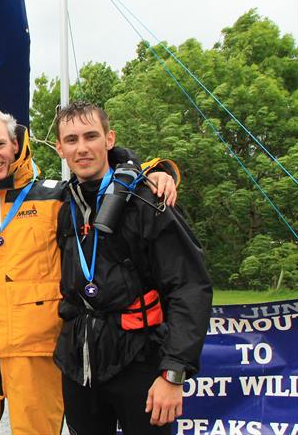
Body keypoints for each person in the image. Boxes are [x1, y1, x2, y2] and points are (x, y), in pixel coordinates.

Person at [0, 104, 177, 435]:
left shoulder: (57, 196)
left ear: (16, 144)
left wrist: (154, 172)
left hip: (36, 347)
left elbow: (104, 179)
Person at [53, 101, 211, 434]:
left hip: (140, 361)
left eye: (90, 136)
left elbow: (189, 285)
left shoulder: (148, 199)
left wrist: (173, 373)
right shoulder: (63, 203)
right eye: (71, 140)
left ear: (109, 140)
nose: (82, 148)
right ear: (59, 148)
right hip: (80, 364)